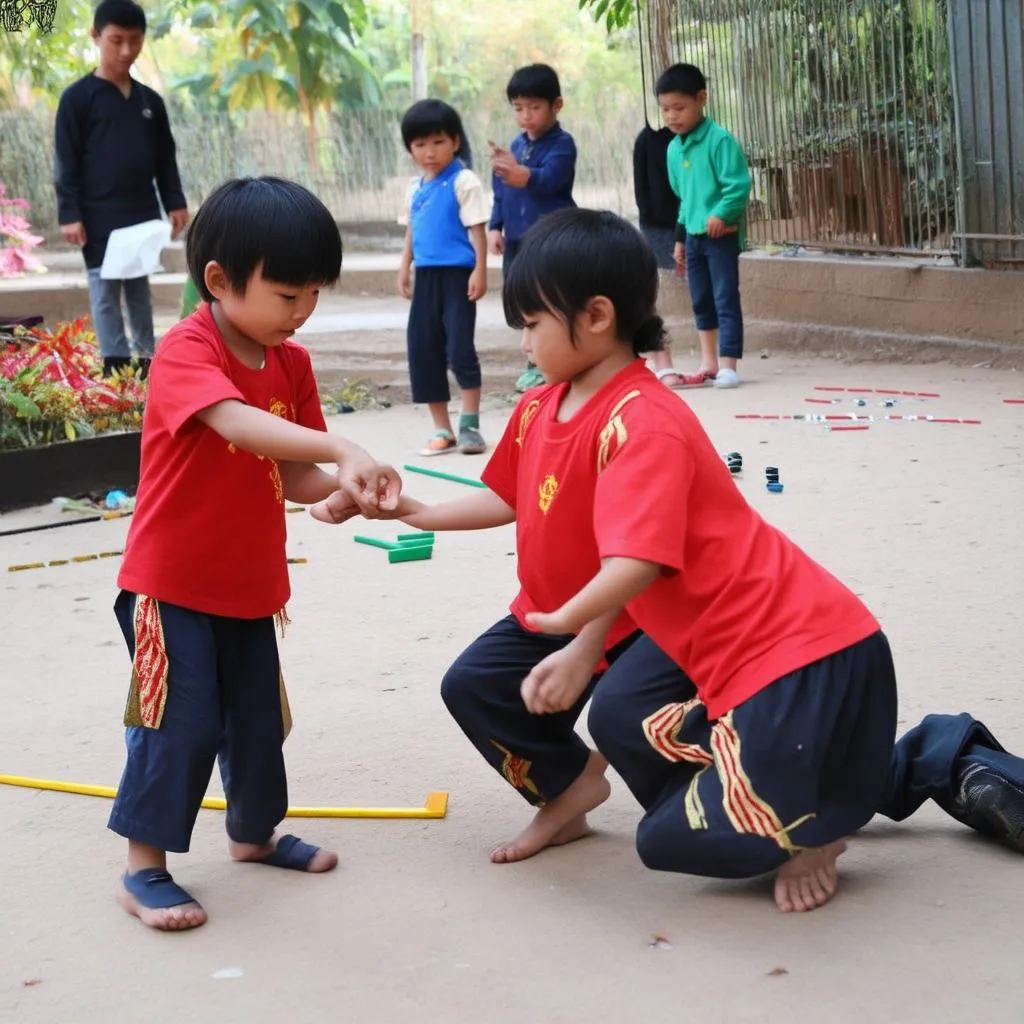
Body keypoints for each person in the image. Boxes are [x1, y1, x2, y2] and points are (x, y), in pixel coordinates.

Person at [313, 208, 1024, 913]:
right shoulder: (542, 404)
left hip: (777, 651)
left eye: (531, 324)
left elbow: (636, 563)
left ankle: (830, 815)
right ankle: (733, 786)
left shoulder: (642, 422)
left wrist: (567, 627)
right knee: (579, 706)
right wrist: (404, 509)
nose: (523, 341)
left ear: (594, 316)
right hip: (680, 636)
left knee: (667, 833)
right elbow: (512, 500)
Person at [109, 176, 401, 932]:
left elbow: (294, 472)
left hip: (249, 586)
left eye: (312, 296)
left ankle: (253, 836)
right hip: (169, 586)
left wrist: (338, 489)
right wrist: (340, 445)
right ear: (219, 280)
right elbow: (236, 424)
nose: (300, 313)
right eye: (285, 295)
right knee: (180, 721)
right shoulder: (187, 349)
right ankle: (144, 869)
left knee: (255, 723)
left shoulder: (291, 363)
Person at [53, 0, 189, 378]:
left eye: (135, 40)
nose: (126, 50)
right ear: (96, 37)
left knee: (138, 290)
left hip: (142, 212)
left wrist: (174, 203)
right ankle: (114, 366)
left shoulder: (150, 102)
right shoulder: (77, 99)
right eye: (116, 40)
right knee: (105, 291)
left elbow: (165, 159)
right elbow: (65, 161)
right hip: (96, 215)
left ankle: (146, 364)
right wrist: (70, 213)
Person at [398, 99, 489, 457]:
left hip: (457, 276)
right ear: (410, 150)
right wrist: (404, 265)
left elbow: (477, 229)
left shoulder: (464, 181)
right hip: (426, 277)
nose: (429, 152)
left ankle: (470, 427)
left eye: (437, 142)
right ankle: (442, 429)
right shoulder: (414, 187)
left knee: (460, 349)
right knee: (423, 349)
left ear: (454, 141)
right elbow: (411, 230)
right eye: (420, 145)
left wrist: (480, 269)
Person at [486, 63, 576, 393]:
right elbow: (501, 189)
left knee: (549, 299)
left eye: (534, 107)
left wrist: (524, 174)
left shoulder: (562, 144)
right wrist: (496, 226)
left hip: (550, 239)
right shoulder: (516, 144)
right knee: (522, 298)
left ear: (557, 105)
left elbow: (551, 180)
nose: (526, 116)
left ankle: (549, 361)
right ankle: (533, 359)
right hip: (517, 239)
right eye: (518, 108)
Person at [659, 62, 750, 389]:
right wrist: (680, 239)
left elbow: (738, 186)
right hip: (694, 238)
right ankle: (708, 362)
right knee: (699, 299)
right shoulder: (673, 149)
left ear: (702, 99)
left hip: (720, 237)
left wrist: (722, 214)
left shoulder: (720, 140)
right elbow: (685, 199)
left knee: (725, 296)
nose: (671, 116)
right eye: (666, 109)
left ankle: (728, 364)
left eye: (679, 108)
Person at [632, 121, 688, 390]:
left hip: (688, 223)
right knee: (652, 298)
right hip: (655, 226)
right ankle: (662, 364)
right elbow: (641, 190)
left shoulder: (690, 140)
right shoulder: (646, 139)